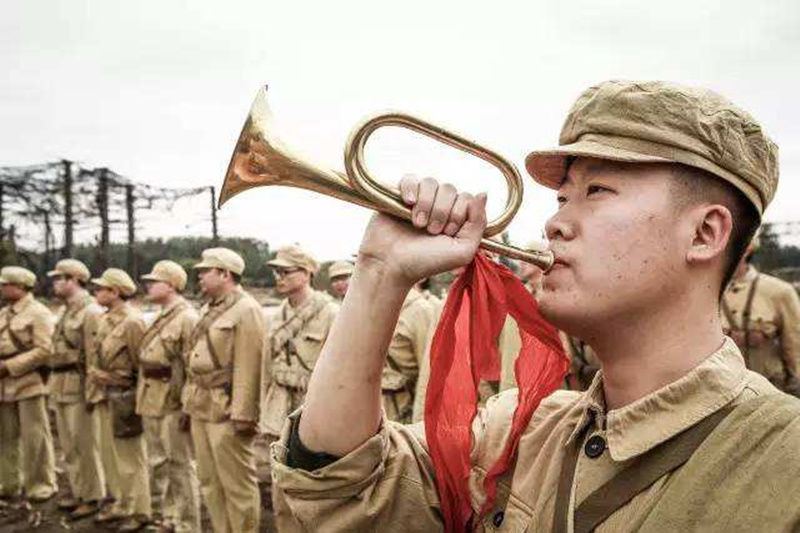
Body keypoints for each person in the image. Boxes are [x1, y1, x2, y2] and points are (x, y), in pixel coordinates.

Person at [269, 80, 800, 531]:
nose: (555, 223)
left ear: (706, 233)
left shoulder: (784, 457)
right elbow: (339, 490)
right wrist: (379, 273)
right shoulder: (521, 428)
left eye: (597, 191)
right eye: (562, 198)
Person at [183, 248, 264, 533]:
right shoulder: (209, 308)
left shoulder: (247, 309)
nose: (200, 277)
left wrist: (244, 414)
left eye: (205, 271)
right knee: (208, 480)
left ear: (225, 274)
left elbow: (250, 365)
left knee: (237, 485)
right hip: (201, 404)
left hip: (227, 409)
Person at [137, 260, 201, 532]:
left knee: (180, 465)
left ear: (172, 284)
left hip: (173, 399)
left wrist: (186, 407)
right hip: (153, 396)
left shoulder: (187, 317)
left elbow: (191, 366)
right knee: (159, 463)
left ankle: (187, 524)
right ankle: (169, 517)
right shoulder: (162, 315)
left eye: (155, 281)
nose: (148, 286)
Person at [87, 268, 151, 531]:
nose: (96, 292)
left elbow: (141, 366)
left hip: (125, 397)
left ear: (115, 292)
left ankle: (139, 510)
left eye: (101, 288)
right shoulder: (105, 320)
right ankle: (121, 503)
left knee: (131, 457)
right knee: (110, 455)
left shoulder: (133, 322)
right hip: (105, 396)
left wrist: (135, 399)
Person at [48, 259, 107, 519]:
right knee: (70, 444)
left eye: (60, 278)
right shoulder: (65, 311)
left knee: (86, 444)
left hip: (80, 384)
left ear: (74, 280)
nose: (55, 283)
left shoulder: (90, 312)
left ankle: (93, 495)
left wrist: (93, 393)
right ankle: (79, 489)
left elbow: (94, 356)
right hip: (61, 384)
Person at [0, 266, 58, 504]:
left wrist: (10, 366)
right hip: (4, 385)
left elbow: (45, 350)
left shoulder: (39, 313)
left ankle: (41, 484)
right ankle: (9, 482)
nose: (2, 288)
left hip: (28, 381)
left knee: (36, 436)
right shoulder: (4, 313)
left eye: (6, 284)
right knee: (6, 436)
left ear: (21, 287)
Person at [722, 233, 800, 396]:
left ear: (748, 249)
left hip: (768, 396)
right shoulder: (701, 292)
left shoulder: (780, 292)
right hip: (719, 397)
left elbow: (794, 347)